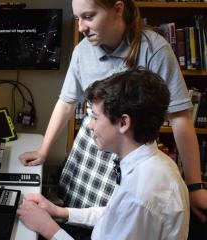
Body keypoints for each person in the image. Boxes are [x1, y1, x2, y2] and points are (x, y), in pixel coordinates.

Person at [19, 0, 207, 222]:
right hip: (91, 149)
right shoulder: (82, 51)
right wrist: (43, 150)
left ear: (117, 9)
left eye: (89, 17)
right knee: (78, 218)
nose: (81, 27)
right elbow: (66, 103)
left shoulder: (155, 49)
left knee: (120, 223)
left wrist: (194, 186)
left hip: (131, 151)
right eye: (78, 18)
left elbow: (179, 119)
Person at [17, 68, 190, 240]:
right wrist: (59, 211)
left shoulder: (140, 195)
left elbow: (126, 211)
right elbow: (113, 215)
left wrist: (48, 228)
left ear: (123, 122)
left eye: (95, 117)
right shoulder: (155, 164)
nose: (90, 125)